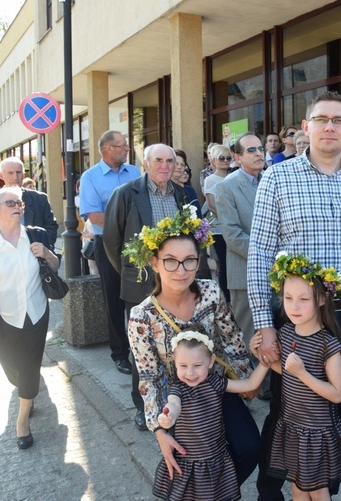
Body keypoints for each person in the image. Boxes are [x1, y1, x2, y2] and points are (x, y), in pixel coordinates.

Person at [248, 90, 341, 500]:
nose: (330, 126)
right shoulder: (278, 176)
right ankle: (272, 491)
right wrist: (264, 325)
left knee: (336, 407)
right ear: (306, 128)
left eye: (338, 120)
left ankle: (323, 487)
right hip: (295, 318)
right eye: (321, 119)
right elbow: (259, 253)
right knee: (285, 408)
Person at [125, 208, 261, 489]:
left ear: (199, 261)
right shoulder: (142, 316)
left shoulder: (210, 292)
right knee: (190, 468)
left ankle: (218, 492)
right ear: (155, 262)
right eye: (171, 261)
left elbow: (233, 339)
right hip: (179, 402)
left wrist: (248, 380)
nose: (181, 270)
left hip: (216, 386)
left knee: (249, 448)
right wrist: (160, 430)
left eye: (189, 261)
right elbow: (149, 379)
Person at [0, 187, 59, 450]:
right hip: (1, 317)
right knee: (12, 370)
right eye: (10, 203)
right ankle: (25, 391)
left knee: (29, 366)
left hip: (36, 312)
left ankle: (22, 421)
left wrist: (47, 254)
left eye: (20, 202)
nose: (18, 206)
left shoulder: (36, 235)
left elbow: (55, 267)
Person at [103, 143, 188, 430]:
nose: (165, 166)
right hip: (141, 285)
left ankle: (176, 401)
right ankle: (144, 407)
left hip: (177, 283)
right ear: (146, 164)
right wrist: (131, 271)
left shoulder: (183, 194)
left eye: (170, 161)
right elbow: (112, 242)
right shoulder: (126, 194)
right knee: (143, 349)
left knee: (177, 344)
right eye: (158, 160)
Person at [261, 253, 341, 498]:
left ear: (322, 298)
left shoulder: (327, 344)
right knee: (298, 491)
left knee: (319, 493)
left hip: (317, 433)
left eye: (303, 299)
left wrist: (302, 373)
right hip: (292, 428)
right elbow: (287, 372)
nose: (294, 306)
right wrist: (264, 357)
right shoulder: (287, 332)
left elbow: (337, 394)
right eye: (288, 298)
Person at [153, 329, 268, 501]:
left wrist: (265, 363)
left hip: (217, 460)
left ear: (211, 361)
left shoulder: (216, 383)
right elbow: (173, 404)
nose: (190, 373)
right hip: (189, 464)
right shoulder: (178, 388)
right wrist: (168, 417)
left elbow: (250, 384)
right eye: (183, 366)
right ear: (175, 363)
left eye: (197, 365)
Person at [79, 131, 140, 378]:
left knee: (139, 299)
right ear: (107, 149)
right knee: (114, 300)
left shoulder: (135, 173)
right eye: (122, 146)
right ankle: (119, 353)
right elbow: (93, 216)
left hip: (138, 244)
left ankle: (141, 348)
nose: (127, 149)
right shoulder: (90, 177)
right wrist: (131, 223)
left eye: (126, 145)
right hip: (108, 245)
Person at [214, 133, 263, 349]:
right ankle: (251, 383)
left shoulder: (272, 179)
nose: (259, 153)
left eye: (260, 148)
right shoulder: (226, 186)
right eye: (251, 150)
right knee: (251, 340)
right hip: (246, 273)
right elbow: (232, 235)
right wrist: (267, 254)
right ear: (237, 157)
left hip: (279, 275)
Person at [0, 158, 58, 243]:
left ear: (23, 175)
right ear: (1, 175)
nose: (15, 177)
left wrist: (44, 249)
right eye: (10, 173)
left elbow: (51, 227)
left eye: (18, 172)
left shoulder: (40, 199)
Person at [203, 144, 232, 302]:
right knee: (224, 263)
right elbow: (212, 206)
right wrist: (231, 218)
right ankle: (226, 299)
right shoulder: (210, 180)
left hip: (234, 227)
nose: (225, 161)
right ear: (214, 160)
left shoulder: (233, 176)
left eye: (228, 158)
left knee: (232, 263)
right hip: (219, 229)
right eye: (222, 158)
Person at [172, 149, 200, 217]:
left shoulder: (187, 191)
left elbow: (198, 216)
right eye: (176, 164)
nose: (179, 167)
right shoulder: (163, 189)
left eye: (182, 164)